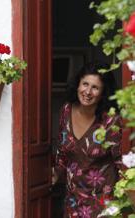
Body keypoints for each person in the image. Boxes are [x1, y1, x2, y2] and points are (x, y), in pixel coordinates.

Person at [54, 61, 122, 218]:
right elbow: (62, 152)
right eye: (85, 84)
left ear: (103, 92)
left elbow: (121, 163)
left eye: (95, 87)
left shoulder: (110, 121)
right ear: (78, 84)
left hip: (102, 203)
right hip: (72, 201)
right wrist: (52, 175)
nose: (88, 91)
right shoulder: (66, 110)